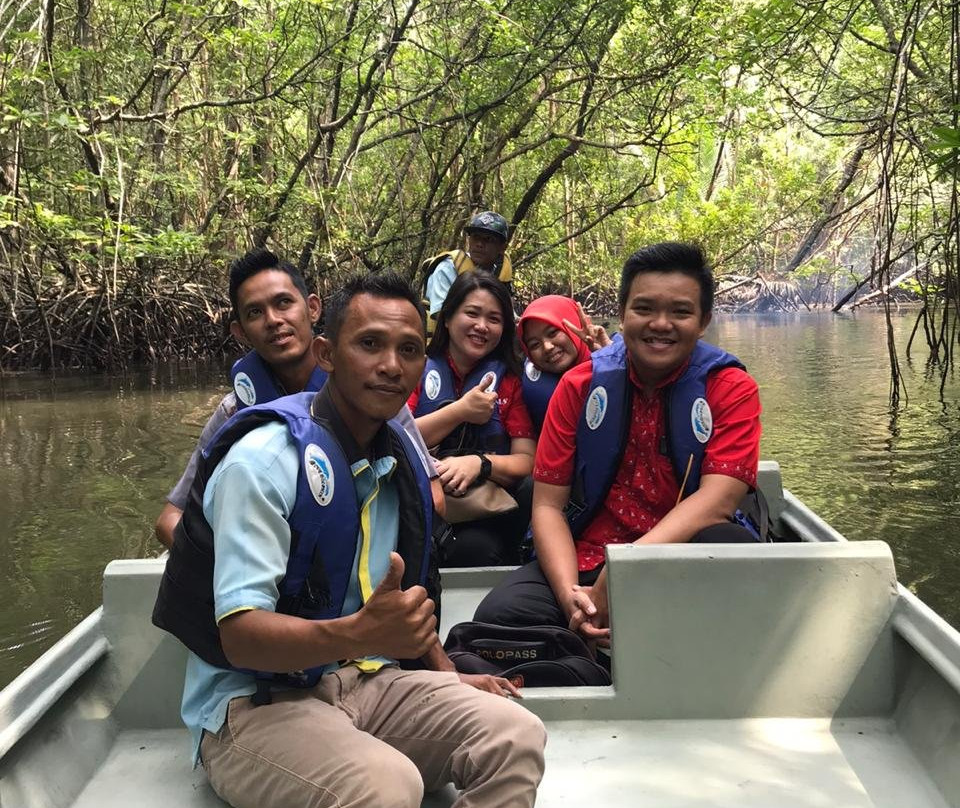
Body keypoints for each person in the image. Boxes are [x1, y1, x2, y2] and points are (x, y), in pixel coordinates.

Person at [151, 272, 546, 808]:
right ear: (327, 353)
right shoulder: (263, 461)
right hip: (254, 704)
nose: (391, 365)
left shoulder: (397, 458)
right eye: (369, 344)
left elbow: (392, 607)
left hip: (363, 681)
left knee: (514, 734)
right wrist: (358, 633)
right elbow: (240, 639)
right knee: (387, 788)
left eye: (408, 349)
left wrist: (448, 676)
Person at [474, 242, 762, 645]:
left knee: (734, 553)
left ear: (703, 321)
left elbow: (719, 499)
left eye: (680, 312)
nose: (660, 324)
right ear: (623, 314)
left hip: (683, 555)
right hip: (589, 558)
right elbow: (547, 505)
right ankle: (590, 644)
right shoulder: (579, 386)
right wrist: (571, 595)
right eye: (644, 309)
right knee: (500, 617)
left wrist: (626, 566)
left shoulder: (731, 388)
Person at [155, 247, 440, 549]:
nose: (273, 320)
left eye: (284, 303)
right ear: (240, 332)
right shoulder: (234, 412)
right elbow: (169, 520)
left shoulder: (372, 393)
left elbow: (431, 498)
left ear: (313, 308)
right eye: (255, 312)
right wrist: (230, 560)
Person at [409, 271, 536, 566]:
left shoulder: (510, 382)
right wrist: (461, 411)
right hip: (422, 500)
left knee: (476, 549)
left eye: (494, 319)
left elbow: (527, 461)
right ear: (449, 317)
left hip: (484, 506)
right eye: (472, 313)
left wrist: (479, 464)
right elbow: (394, 437)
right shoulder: (416, 368)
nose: (482, 326)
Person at [517, 295, 609, 432]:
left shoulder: (616, 358)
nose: (547, 347)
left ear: (576, 324)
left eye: (553, 333)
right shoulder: (524, 388)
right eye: (534, 344)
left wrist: (611, 358)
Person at [422, 211, 513, 333]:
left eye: (488, 239)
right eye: (475, 237)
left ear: (502, 247)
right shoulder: (448, 268)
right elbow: (441, 314)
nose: (479, 244)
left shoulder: (498, 273)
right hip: (440, 340)